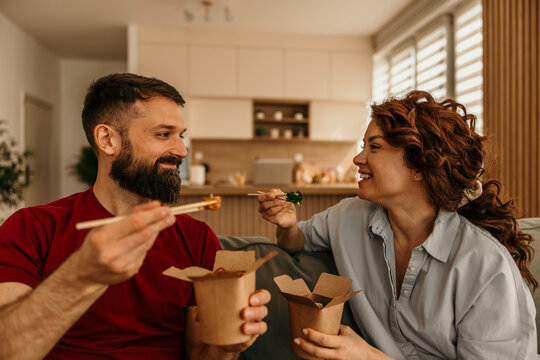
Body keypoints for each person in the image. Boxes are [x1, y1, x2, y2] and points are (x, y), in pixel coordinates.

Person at [0, 73, 270, 359]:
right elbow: (8, 349)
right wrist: (81, 276)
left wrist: (224, 348)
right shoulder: (32, 227)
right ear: (107, 139)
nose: (181, 150)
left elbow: (202, 355)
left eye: (181, 136)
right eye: (164, 134)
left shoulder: (197, 238)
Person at [258, 91, 537, 359]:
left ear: (418, 166)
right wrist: (287, 224)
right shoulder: (349, 216)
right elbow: (296, 242)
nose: (358, 159)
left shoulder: (485, 266)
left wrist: (368, 358)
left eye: (374, 147)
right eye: (363, 146)